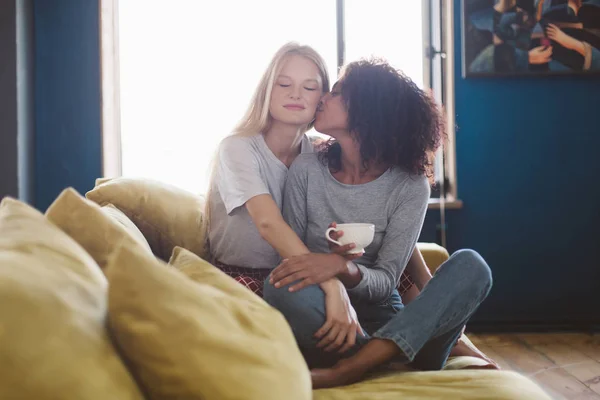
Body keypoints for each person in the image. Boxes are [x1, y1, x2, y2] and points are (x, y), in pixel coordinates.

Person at [263, 58, 494, 389]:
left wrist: (342, 267)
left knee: (473, 266)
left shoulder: (410, 185)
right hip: (329, 320)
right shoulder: (307, 169)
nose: (323, 97)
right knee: (279, 284)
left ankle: (352, 369)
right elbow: (294, 260)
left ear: (368, 109)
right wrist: (329, 279)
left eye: (339, 92)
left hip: (392, 322)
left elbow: (386, 282)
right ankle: (387, 360)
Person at [205, 42, 416, 301]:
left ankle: (445, 333)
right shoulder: (237, 148)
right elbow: (268, 223)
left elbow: (389, 222)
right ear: (266, 92)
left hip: (306, 270)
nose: (296, 94)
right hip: (248, 274)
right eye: (283, 85)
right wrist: (331, 283)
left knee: (385, 271)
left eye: (309, 87)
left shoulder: (318, 154)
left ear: (323, 98)